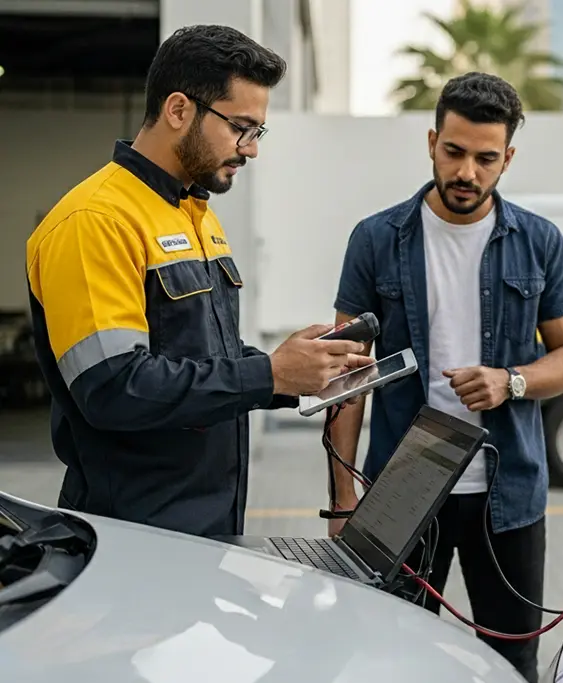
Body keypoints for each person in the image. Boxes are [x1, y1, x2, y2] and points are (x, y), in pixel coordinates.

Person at [24, 24, 371, 539]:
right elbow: (114, 388)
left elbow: (197, 360)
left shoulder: (195, 212)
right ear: (179, 110)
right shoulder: (95, 221)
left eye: (258, 132)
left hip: (202, 528)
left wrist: (297, 375)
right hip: (133, 538)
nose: (251, 149)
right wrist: (268, 376)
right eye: (241, 128)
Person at [327, 72, 563, 681]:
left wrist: (510, 382)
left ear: (508, 158)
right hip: (403, 488)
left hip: (509, 492)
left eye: (485, 158)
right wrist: (342, 499)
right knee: (391, 656)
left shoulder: (539, 242)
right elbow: (346, 375)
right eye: (454, 152)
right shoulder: (376, 239)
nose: (467, 171)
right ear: (431, 142)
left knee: (514, 657)